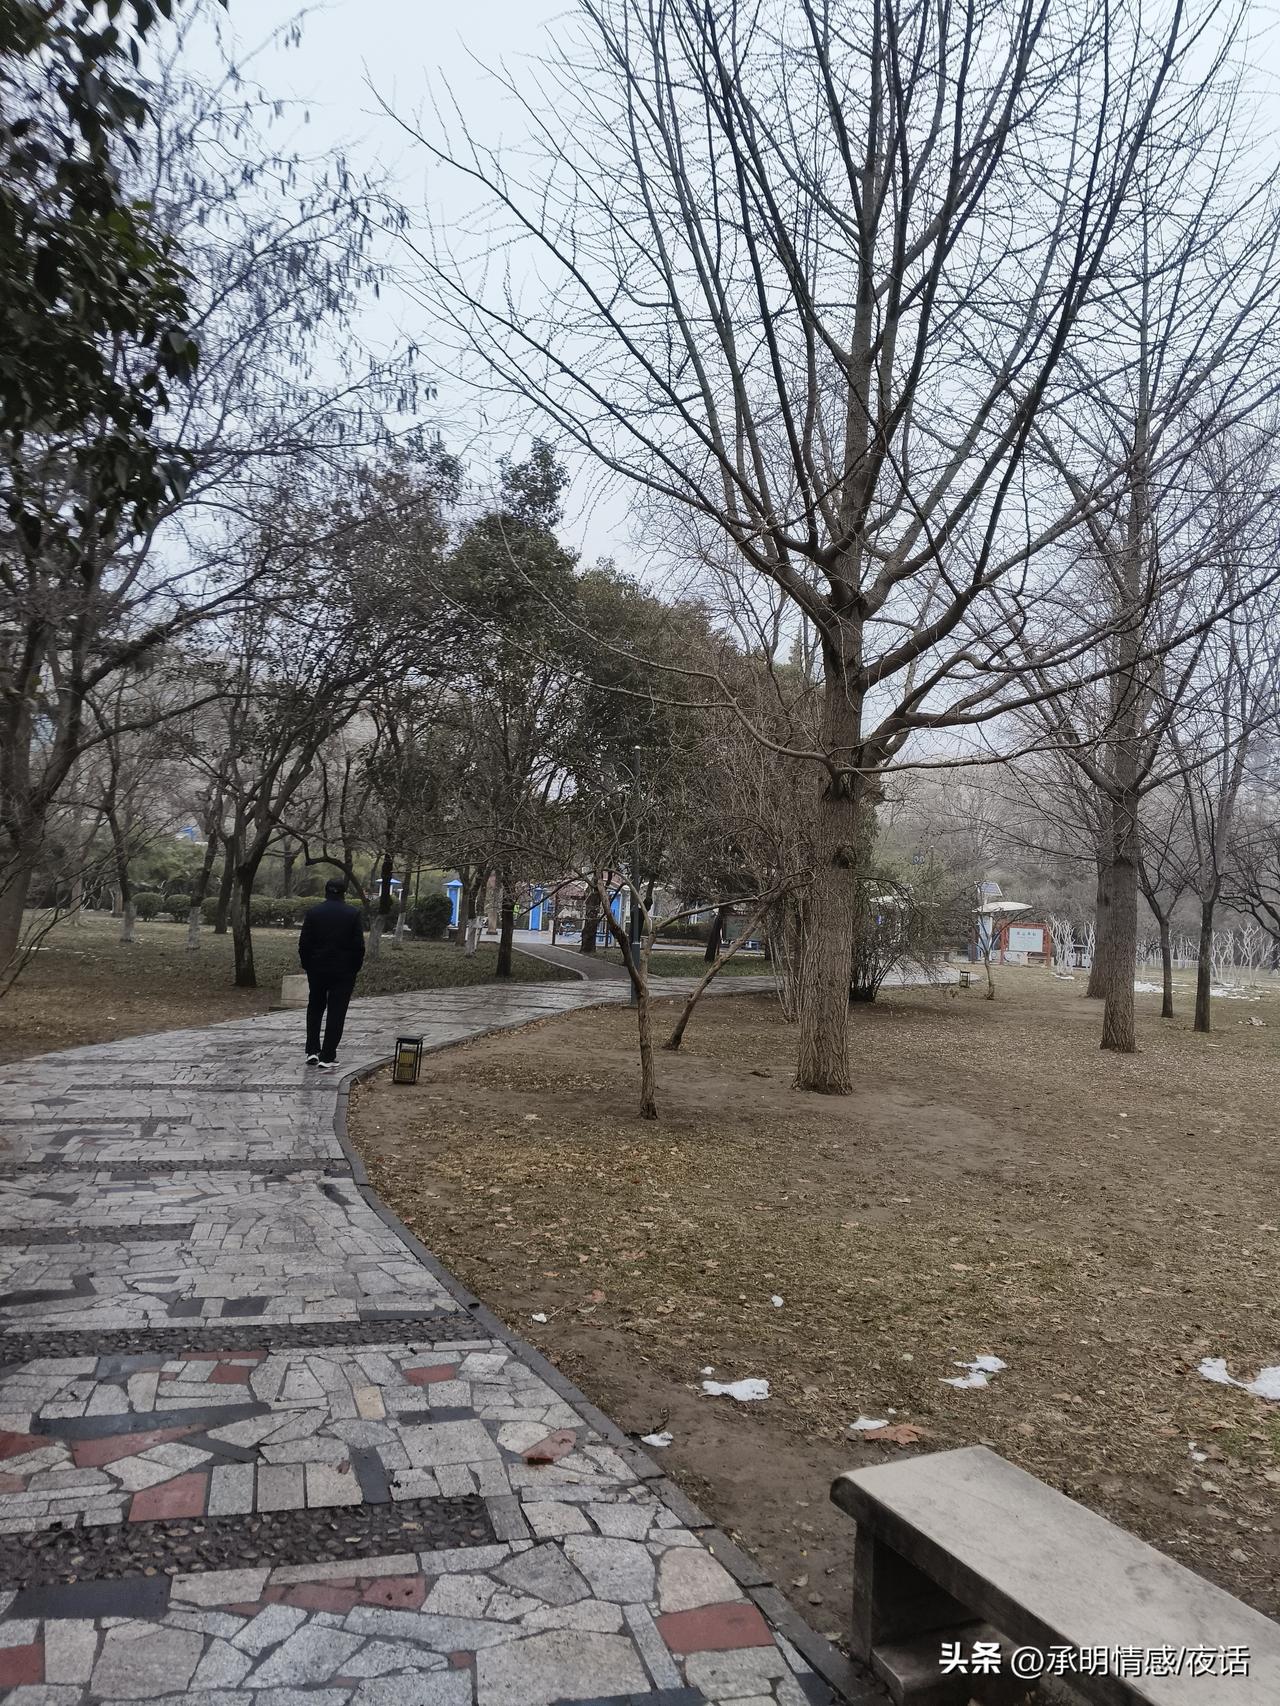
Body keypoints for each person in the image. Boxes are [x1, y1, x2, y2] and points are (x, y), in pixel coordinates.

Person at [298, 877, 365, 1069]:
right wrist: (354, 968)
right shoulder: (353, 914)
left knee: (315, 1007)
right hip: (343, 971)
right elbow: (358, 946)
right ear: (344, 893)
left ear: (325, 891)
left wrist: (308, 965)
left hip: (317, 969)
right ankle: (327, 1056)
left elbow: (304, 943)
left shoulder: (314, 913)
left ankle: (312, 1050)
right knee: (337, 1011)